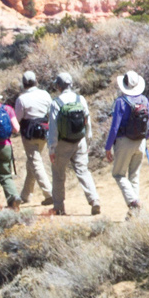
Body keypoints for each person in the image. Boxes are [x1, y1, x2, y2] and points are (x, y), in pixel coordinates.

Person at [46, 73, 102, 216]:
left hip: (62, 144)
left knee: (58, 174)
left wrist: (52, 148)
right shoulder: (80, 99)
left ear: (58, 86)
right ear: (71, 84)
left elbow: (53, 128)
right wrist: (88, 141)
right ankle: (94, 200)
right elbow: (87, 121)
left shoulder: (56, 103)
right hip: (80, 141)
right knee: (83, 171)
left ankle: (59, 207)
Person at [103, 71, 149, 221]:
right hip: (140, 142)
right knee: (134, 176)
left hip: (124, 142)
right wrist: (144, 138)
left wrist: (108, 147)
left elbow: (114, 127)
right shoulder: (144, 100)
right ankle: (134, 215)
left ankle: (134, 203)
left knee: (118, 174)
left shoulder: (121, 102)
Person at [14, 71, 55, 206]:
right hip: (44, 131)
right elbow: (51, 111)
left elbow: (18, 118)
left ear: (24, 83)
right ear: (36, 81)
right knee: (32, 162)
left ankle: (49, 193)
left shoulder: (22, 99)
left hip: (29, 133)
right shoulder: (45, 94)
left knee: (35, 162)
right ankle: (26, 194)